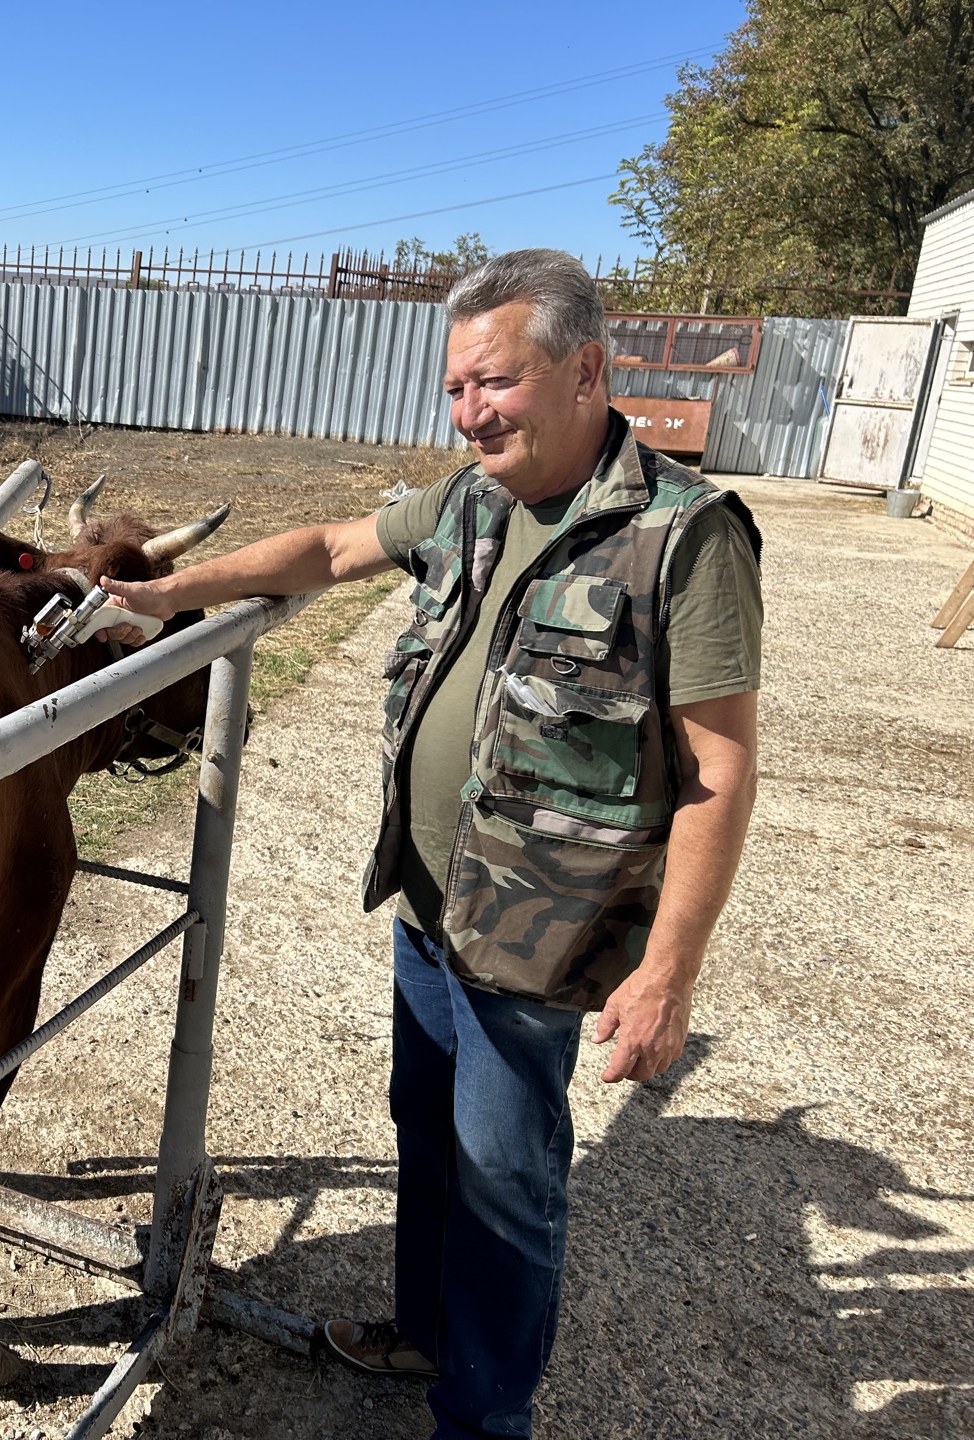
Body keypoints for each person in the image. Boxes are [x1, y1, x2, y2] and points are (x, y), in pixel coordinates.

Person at [97, 249, 762, 1439]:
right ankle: (422, 1331)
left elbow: (718, 772)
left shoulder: (684, 536)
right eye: (456, 388)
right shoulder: (471, 499)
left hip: (542, 931)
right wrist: (171, 595)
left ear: (585, 370)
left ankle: (481, 1416)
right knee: (426, 1132)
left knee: (508, 1182)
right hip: (424, 909)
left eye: (494, 383)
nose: (470, 413)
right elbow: (327, 550)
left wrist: (669, 972)